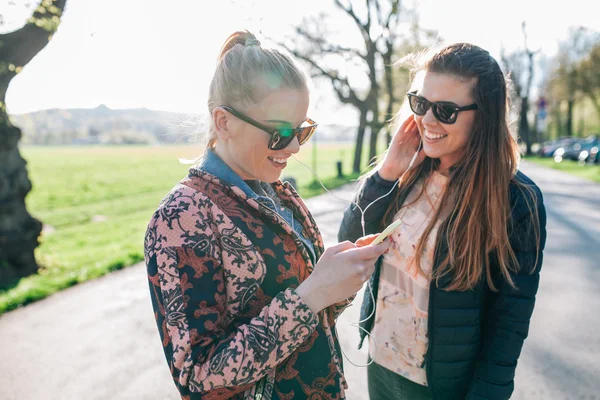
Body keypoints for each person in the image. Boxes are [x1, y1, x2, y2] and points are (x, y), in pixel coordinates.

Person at [144, 30, 389, 400]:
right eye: (280, 133)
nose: (293, 147)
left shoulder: (278, 192)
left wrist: (337, 284)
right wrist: (313, 293)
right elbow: (199, 380)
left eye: (302, 130)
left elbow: (305, 319)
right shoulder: (182, 217)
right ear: (224, 122)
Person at [338, 43, 547, 400]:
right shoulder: (407, 172)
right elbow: (349, 242)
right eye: (420, 104)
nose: (427, 121)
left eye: (445, 111)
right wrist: (387, 172)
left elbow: (507, 325)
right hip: (382, 364)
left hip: (443, 388)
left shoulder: (516, 200)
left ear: (483, 115)